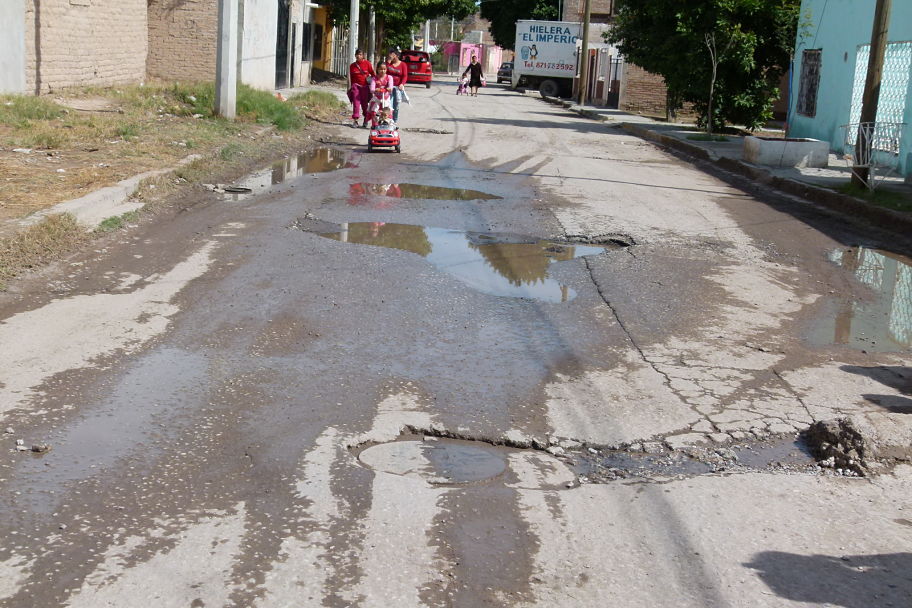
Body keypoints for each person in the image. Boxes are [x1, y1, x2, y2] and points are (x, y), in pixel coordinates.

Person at [348, 49, 375, 128]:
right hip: (356, 86)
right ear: (355, 55)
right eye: (357, 54)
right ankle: (355, 121)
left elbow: (373, 74)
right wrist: (350, 88)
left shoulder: (367, 64)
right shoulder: (352, 66)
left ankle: (366, 119)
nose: (358, 56)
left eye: (360, 54)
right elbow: (351, 78)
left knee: (364, 104)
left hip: (365, 87)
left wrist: (372, 84)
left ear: (363, 55)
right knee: (356, 104)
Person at [368, 62, 395, 127]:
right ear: (377, 69)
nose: (383, 71)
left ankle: (389, 125)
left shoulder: (389, 77)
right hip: (377, 99)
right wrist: (375, 89)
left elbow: (391, 87)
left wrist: (389, 88)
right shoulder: (374, 78)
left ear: (386, 69)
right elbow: (372, 89)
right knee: (374, 111)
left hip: (385, 98)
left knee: (388, 112)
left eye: (384, 69)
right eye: (381, 69)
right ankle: (375, 126)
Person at [386, 50, 408, 122]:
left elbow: (405, 76)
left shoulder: (403, 64)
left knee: (396, 105)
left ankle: (394, 120)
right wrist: (388, 63)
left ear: (397, 55)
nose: (391, 56)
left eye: (392, 55)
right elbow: (383, 72)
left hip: (397, 88)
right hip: (389, 87)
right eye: (390, 55)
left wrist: (402, 84)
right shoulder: (388, 64)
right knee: (389, 104)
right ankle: (389, 119)